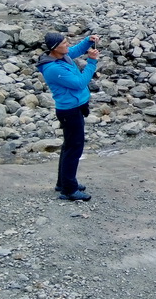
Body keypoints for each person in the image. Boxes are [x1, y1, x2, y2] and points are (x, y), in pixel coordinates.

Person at [37, 32, 100, 201]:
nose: (67, 45)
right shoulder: (54, 69)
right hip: (69, 111)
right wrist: (92, 61)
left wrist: (88, 41)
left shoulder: (61, 56)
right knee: (74, 148)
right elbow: (80, 82)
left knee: (69, 146)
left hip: (74, 107)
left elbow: (75, 50)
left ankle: (64, 182)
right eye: (64, 43)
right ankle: (69, 189)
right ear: (55, 48)